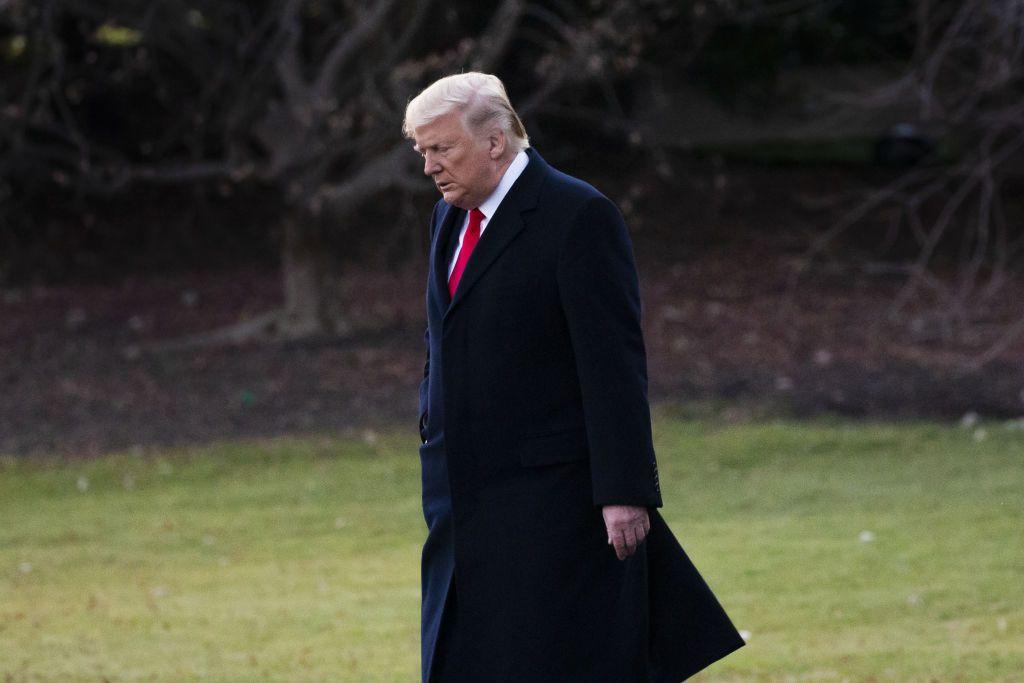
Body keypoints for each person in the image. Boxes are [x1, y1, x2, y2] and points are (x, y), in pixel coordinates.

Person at [405, 72, 744, 682]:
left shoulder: (577, 214)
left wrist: (624, 490)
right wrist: (431, 418)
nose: (430, 166)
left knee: (557, 660)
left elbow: (613, 364)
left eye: (441, 148)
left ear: (495, 142)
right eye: (422, 151)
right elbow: (445, 335)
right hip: (460, 497)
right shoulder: (447, 218)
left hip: (552, 499)